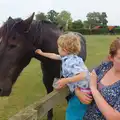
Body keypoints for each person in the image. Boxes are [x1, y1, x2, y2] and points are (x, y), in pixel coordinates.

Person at [35, 32, 92, 120]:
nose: (57, 49)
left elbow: (83, 74)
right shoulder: (69, 57)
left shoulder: (71, 62)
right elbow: (53, 56)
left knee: (73, 115)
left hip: (83, 92)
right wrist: (41, 53)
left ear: (64, 50)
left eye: (59, 47)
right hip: (80, 89)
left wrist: (66, 80)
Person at [76, 38, 120, 120]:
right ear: (111, 57)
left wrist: (94, 89)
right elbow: (87, 77)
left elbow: (114, 117)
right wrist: (78, 91)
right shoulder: (105, 66)